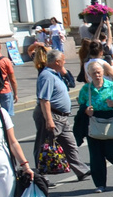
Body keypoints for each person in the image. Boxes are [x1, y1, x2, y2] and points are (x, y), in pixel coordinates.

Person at [33, 49, 90, 183]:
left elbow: (71, 82)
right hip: (52, 115)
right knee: (44, 145)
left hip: (62, 117)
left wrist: (63, 71)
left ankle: (81, 170)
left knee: (70, 144)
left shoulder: (55, 74)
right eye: (63, 61)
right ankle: (41, 176)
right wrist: (49, 120)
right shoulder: (46, 76)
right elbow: (44, 100)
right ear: (57, 62)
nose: (65, 63)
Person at [78, 60, 113, 192]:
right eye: (94, 73)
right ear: (89, 74)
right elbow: (81, 105)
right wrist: (86, 111)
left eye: (99, 72)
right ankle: (100, 184)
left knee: (111, 153)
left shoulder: (112, 86)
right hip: (94, 121)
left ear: (103, 72)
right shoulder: (86, 89)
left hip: (110, 120)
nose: (97, 75)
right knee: (96, 156)